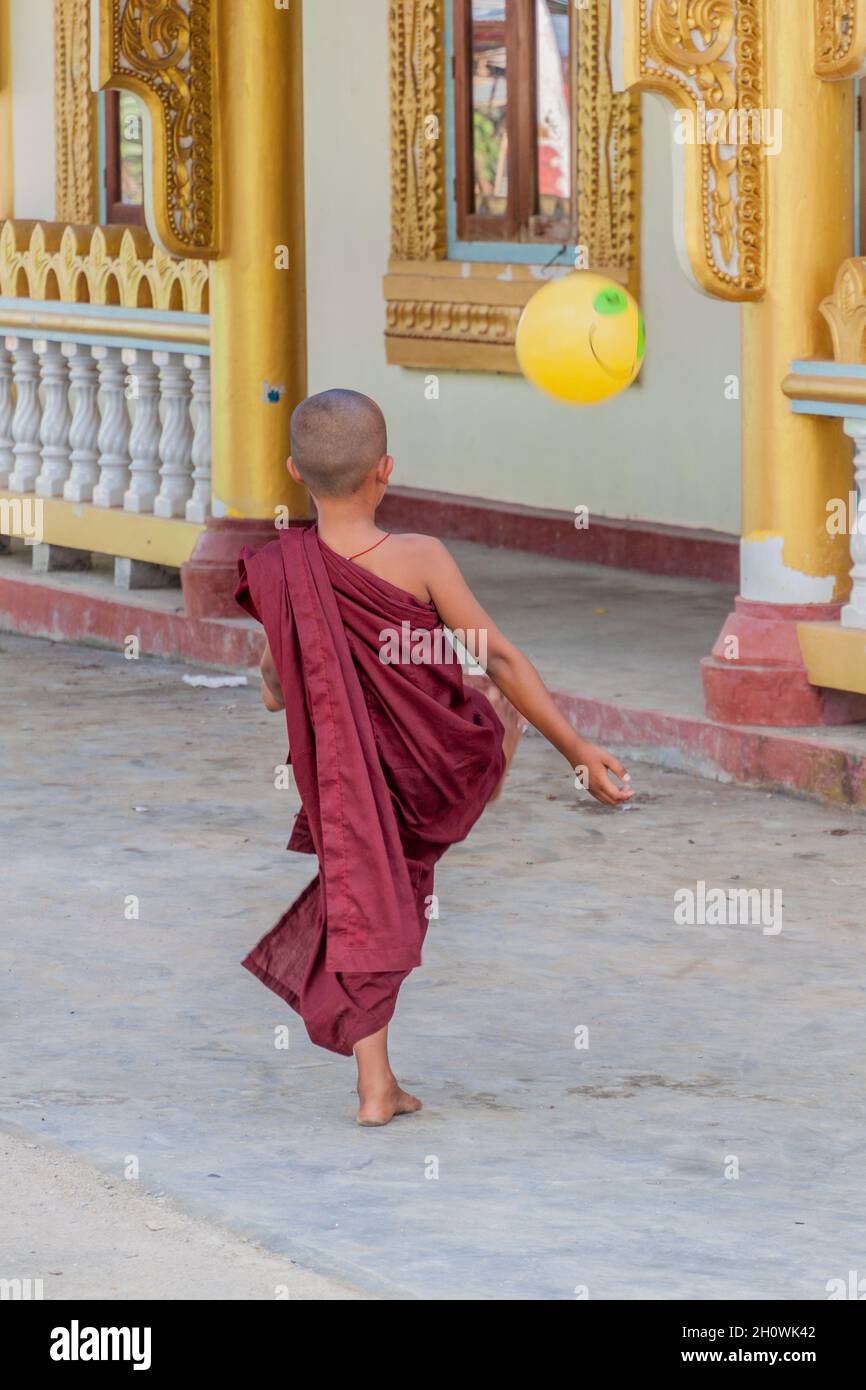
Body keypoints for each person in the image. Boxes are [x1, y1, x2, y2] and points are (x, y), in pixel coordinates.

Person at [237, 389, 633, 1126]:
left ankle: (376, 1085)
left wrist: (287, 680)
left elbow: (271, 684)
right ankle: (377, 1086)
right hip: (434, 775)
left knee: (367, 887)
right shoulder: (421, 558)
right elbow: (504, 658)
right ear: (385, 471)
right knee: (386, 879)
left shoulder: (283, 570)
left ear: (295, 471)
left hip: (344, 781)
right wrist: (577, 749)